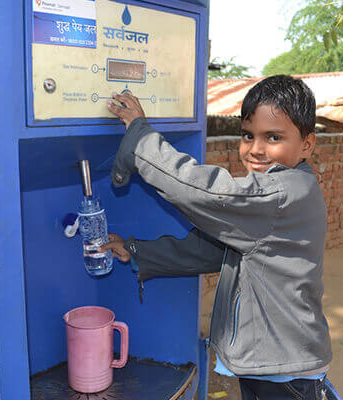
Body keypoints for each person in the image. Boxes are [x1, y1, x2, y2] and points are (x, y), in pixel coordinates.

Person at [100, 75, 331, 399]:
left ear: (307, 144)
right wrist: (136, 251)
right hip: (273, 366)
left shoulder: (281, 194)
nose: (256, 150)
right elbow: (211, 250)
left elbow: (205, 192)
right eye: (248, 135)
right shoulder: (282, 194)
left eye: (274, 137)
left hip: (288, 376)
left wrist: (140, 139)